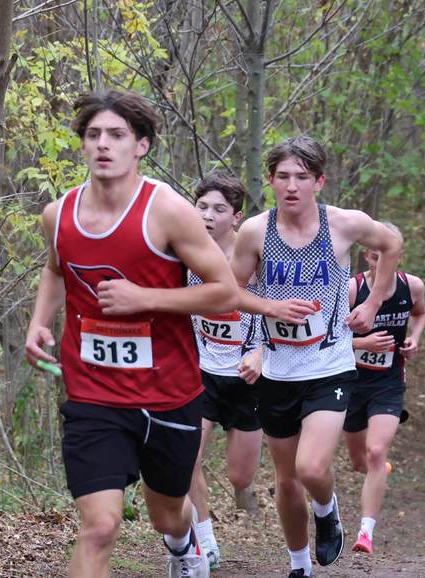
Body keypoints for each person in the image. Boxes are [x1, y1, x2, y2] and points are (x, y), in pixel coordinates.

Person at [24, 90, 239, 578]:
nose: (103, 144)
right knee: (99, 526)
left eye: (116, 135)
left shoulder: (168, 211)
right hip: (93, 392)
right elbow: (57, 271)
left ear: (141, 145)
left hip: (168, 394)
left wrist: (146, 298)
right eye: (93, 135)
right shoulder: (58, 215)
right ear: (82, 145)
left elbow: (224, 290)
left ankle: (184, 542)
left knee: (167, 512)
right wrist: (40, 321)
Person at [230, 135, 402, 578]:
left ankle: (326, 507)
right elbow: (231, 292)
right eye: (282, 176)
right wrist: (270, 309)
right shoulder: (254, 231)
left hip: (330, 366)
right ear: (270, 180)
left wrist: (373, 302)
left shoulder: (344, 224)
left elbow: (390, 245)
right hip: (278, 369)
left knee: (311, 467)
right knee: (286, 480)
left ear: (319, 181)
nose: (291, 186)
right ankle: (299, 564)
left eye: (301, 177)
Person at [186, 173, 265, 570]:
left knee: (239, 477)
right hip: (201, 375)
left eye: (219, 209)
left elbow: (282, 313)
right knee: (186, 459)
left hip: (249, 380)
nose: (208, 215)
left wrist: (262, 353)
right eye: (202, 206)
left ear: (236, 217)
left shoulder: (254, 258)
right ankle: (205, 542)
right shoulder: (184, 253)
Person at [343, 222, 425, 554]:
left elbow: (420, 315)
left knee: (376, 452)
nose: (381, 264)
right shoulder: (352, 290)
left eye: (387, 256)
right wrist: (362, 343)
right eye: (375, 257)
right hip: (351, 383)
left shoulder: (413, 286)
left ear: (398, 256)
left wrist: (414, 339)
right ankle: (377, 471)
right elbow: (328, 339)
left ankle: (366, 533)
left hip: (389, 384)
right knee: (359, 461)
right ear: (367, 257)